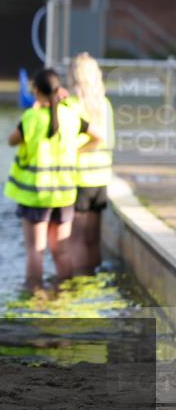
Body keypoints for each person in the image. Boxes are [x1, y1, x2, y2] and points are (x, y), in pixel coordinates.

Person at [4, 68, 101, 292]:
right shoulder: (71, 116)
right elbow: (97, 136)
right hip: (65, 194)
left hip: (35, 195)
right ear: (59, 90)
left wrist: (35, 108)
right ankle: (62, 295)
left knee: (35, 250)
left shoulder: (31, 118)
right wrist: (78, 151)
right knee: (61, 250)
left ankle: (35, 297)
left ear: (35, 91)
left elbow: (12, 140)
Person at [63, 54, 115, 274]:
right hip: (101, 177)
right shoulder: (105, 104)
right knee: (93, 239)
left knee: (76, 240)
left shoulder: (71, 106)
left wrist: (74, 151)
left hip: (80, 178)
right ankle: (93, 283)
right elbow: (109, 139)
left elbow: (67, 142)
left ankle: (78, 286)